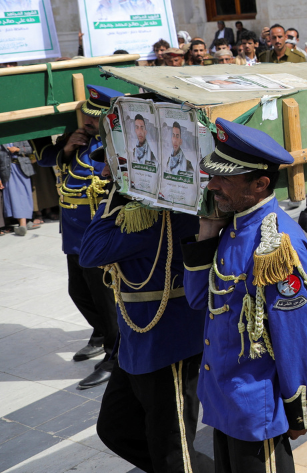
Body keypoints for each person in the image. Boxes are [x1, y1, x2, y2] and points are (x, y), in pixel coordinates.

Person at [182, 119, 307, 473]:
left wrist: (301, 408)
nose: (212, 185)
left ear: (261, 183)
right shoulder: (232, 227)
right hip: (223, 400)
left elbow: (298, 335)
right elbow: (198, 299)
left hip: (255, 409)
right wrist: (206, 232)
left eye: (224, 179)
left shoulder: (276, 244)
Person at [79, 153, 205, 473]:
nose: (104, 172)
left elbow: (90, 251)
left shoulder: (158, 216)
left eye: (113, 164)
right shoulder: (139, 211)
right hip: (137, 339)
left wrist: (117, 191)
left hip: (168, 343)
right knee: (116, 428)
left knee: (174, 455)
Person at [34, 86, 122, 389]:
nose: (88, 120)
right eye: (87, 113)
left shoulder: (115, 146)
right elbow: (48, 161)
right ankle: (101, 333)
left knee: (106, 298)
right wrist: (68, 149)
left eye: (96, 117)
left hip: (97, 234)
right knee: (78, 292)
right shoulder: (80, 138)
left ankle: (115, 356)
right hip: (74, 233)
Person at [2, 141, 39, 236]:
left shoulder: (19, 136)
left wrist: (17, 149)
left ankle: (24, 223)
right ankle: (23, 224)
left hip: (22, 168)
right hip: (7, 170)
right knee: (14, 196)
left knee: (24, 194)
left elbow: (30, 149)